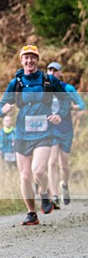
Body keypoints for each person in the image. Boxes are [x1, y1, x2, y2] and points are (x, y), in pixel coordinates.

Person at [0, 44, 70, 226]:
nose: (29, 60)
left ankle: (44, 193)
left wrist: (59, 115)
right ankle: (31, 213)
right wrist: (4, 109)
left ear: (37, 60)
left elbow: (65, 99)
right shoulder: (16, 83)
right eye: (26, 57)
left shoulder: (48, 80)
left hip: (44, 133)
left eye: (33, 57)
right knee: (25, 176)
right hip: (22, 134)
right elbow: (1, 106)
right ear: (21, 60)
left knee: (37, 170)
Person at [45, 61, 85, 207]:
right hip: (51, 129)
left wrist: (70, 107)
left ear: (60, 73)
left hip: (66, 129)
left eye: (55, 71)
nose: (52, 73)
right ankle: (54, 195)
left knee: (64, 165)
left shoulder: (68, 88)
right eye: (49, 70)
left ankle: (65, 185)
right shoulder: (45, 89)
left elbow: (82, 105)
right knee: (52, 161)